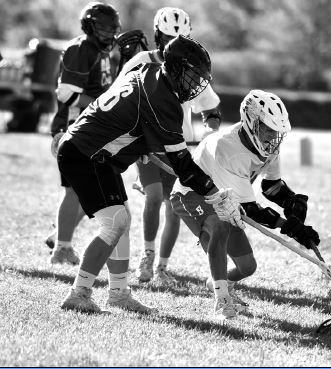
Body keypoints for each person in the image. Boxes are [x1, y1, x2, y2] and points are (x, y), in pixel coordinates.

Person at [56, 35, 242, 315]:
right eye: (192, 75)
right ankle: (79, 293)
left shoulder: (148, 72)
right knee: (115, 221)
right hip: (86, 154)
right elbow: (182, 164)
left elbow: (130, 120)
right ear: (177, 69)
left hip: (92, 152)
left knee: (120, 220)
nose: (196, 83)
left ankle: (119, 293)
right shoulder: (162, 99)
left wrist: (139, 145)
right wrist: (216, 195)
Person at [170, 90, 320, 318]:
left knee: (247, 267)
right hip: (191, 194)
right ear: (252, 122)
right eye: (268, 129)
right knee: (218, 227)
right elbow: (250, 210)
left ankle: (219, 283)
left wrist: (291, 203)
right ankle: (222, 300)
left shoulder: (268, 146)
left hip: (226, 197)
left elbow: (271, 187)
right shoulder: (226, 148)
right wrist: (288, 227)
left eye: (277, 131)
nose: (273, 136)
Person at [117, 7, 222, 285]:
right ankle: (147, 256)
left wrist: (209, 131)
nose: (169, 45)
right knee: (153, 198)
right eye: (165, 37)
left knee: (174, 208)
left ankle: (162, 267)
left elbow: (211, 108)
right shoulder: (141, 61)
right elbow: (120, 96)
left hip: (179, 146)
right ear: (157, 35)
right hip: (148, 145)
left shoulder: (189, 66)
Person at [46, 2, 121, 265]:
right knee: (73, 190)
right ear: (89, 26)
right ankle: (62, 247)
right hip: (72, 125)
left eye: (112, 29)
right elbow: (67, 93)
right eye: (103, 29)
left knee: (84, 189)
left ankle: (60, 235)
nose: (109, 35)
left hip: (90, 127)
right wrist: (105, 107)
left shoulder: (101, 52)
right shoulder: (80, 49)